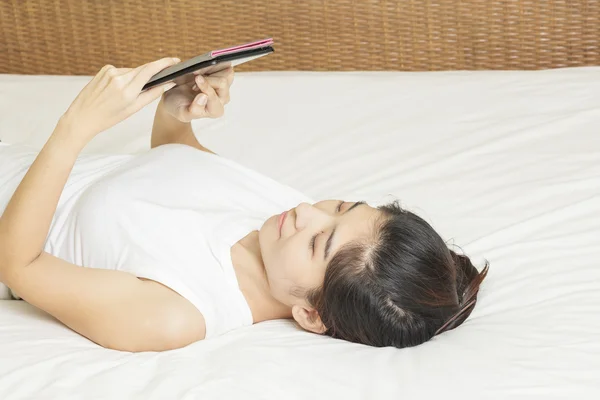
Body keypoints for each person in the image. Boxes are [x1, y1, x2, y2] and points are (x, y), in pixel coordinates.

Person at [0, 57, 489, 352]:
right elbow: (177, 164)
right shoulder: (282, 221)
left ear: (311, 316)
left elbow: (18, 263)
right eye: (342, 205)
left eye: (321, 239)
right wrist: (178, 109)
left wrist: (76, 128)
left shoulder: (175, 314)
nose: (308, 213)